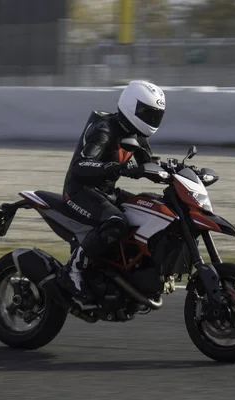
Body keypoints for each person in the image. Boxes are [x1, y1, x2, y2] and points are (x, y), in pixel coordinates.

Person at [57, 80, 166, 310]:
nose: (151, 119)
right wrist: (117, 168)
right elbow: (81, 166)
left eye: (155, 115)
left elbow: (150, 167)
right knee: (116, 223)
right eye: (147, 113)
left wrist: (176, 173)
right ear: (131, 106)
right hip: (80, 191)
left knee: (154, 207)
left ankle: (128, 271)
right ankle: (74, 269)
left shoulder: (137, 135)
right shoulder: (104, 129)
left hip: (107, 192)